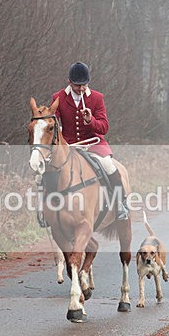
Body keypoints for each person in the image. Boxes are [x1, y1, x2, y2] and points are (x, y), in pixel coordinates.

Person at [50, 61, 128, 220]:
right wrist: (57, 128)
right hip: (69, 146)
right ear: (69, 82)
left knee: (109, 166)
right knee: (47, 171)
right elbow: (53, 122)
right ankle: (47, 212)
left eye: (84, 85)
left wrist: (90, 120)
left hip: (94, 143)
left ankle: (120, 204)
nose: (81, 89)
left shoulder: (97, 98)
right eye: (78, 85)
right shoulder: (58, 98)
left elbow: (104, 127)